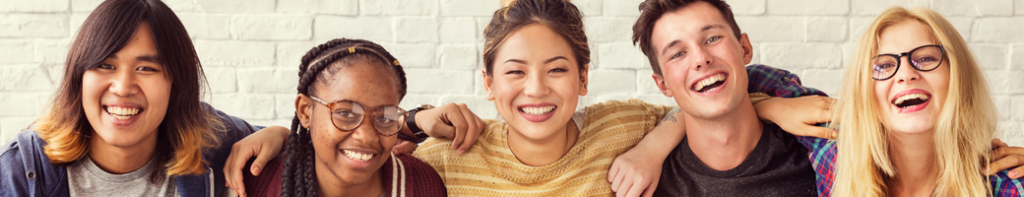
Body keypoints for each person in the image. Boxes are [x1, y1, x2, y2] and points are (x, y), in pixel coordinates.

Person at [0, 0, 289, 196]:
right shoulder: (23, 168)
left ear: (175, 82)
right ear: (79, 77)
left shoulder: (208, 138)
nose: (124, 87)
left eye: (146, 68)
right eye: (106, 65)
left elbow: (315, 147)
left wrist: (281, 134)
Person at [772, 7, 1024, 196]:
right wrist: (770, 106)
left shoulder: (1004, 184)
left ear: (958, 75)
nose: (906, 74)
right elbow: (744, 81)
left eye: (925, 58)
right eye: (883, 65)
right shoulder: (835, 155)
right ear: (864, 91)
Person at [235, 39, 447, 197]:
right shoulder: (255, 185)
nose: (366, 136)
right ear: (305, 111)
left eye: (384, 117)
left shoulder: (423, 186)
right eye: (345, 113)